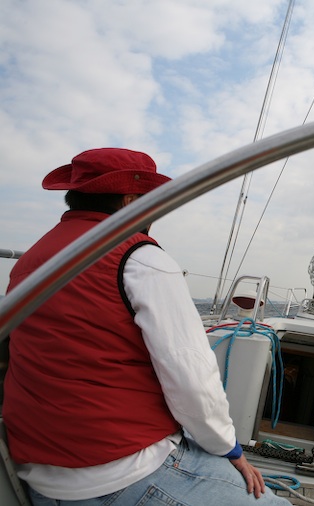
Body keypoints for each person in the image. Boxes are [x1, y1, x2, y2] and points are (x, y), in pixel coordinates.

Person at [2, 148, 290, 506]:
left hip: (40, 477)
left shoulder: (29, 263)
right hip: (122, 474)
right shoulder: (141, 259)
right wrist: (230, 449)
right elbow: (192, 382)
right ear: (130, 202)